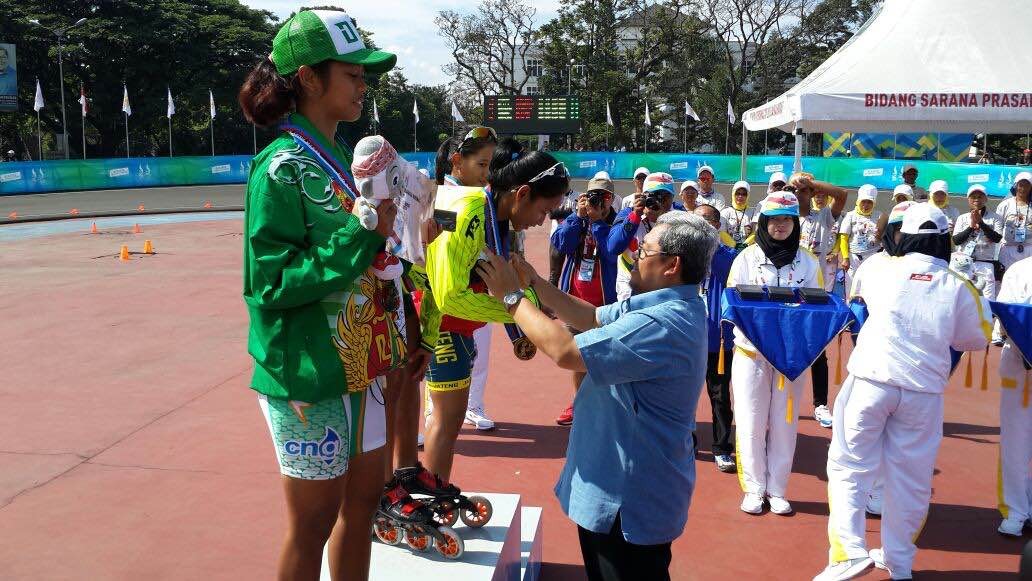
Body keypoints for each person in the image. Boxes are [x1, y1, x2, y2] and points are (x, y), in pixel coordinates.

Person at [238, 9, 400, 579]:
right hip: (309, 373)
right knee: (312, 524)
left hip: (364, 366)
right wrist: (362, 235)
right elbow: (270, 283)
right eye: (353, 74)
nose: (363, 85)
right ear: (309, 77)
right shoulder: (280, 168)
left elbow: (374, 259)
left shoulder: (343, 161)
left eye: (364, 75)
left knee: (363, 507)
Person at [475, 211, 715, 581]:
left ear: (672, 265)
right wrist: (535, 283)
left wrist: (511, 297)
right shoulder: (666, 302)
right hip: (626, 486)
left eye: (644, 250)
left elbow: (567, 351)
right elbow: (591, 317)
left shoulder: (661, 324)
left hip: (628, 499)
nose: (633, 253)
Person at [815, 203, 991, 581]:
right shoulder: (961, 286)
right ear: (944, 239)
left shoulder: (877, 268)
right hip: (923, 393)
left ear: (902, 235)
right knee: (911, 480)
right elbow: (976, 337)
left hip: (870, 381)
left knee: (849, 467)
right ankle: (899, 562)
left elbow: (858, 304)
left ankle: (848, 552)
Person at [419, 147, 568, 482]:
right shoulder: (471, 210)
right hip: (440, 322)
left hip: (458, 326)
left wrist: (525, 301)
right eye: (544, 210)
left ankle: (432, 488)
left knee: (450, 419)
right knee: (447, 419)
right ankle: (433, 493)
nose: (542, 220)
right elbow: (449, 297)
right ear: (523, 193)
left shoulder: (495, 215)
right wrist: (520, 311)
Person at [728, 191, 823, 516]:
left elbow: (818, 308)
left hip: (790, 359)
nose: (780, 226)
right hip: (751, 354)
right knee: (750, 422)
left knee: (785, 424)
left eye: (786, 219)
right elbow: (732, 302)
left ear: (795, 223)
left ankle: (778, 489)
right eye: (773, 219)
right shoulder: (745, 258)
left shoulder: (808, 261)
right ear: (763, 222)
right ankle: (754, 488)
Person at [432, 127, 500, 433]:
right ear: (457, 161)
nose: (487, 175)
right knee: (446, 424)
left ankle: (430, 478)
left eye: (489, 165)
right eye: (482, 165)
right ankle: (430, 478)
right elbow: (445, 256)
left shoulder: (462, 197)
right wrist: (514, 308)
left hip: (457, 314)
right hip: (446, 317)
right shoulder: (451, 200)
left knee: (446, 420)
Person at [550, 173, 620, 426]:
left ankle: (605, 405)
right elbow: (560, 245)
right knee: (580, 357)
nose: (598, 200)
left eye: (604, 196)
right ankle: (580, 402)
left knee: (604, 358)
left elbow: (612, 251)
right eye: (594, 194)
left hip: (605, 303)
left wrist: (599, 221)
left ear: (611, 198)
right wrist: (577, 217)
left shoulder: (617, 220)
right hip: (576, 300)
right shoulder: (578, 218)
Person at [792, 172, 848, 428]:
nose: (798, 194)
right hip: (786, 290)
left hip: (816, 291)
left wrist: (811, 184)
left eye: (803, 191)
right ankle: (783, 398)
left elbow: (842, 195)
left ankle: (820, 404)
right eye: (795, 190)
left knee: (817, 350)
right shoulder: (784, 216)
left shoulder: (823, 216)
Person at [695, 204, 738, 472]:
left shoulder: (728, 256)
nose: (700, 225)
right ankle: (685, 444)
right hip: (687, 337)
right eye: (696, 220)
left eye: (706, 220)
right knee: (682, 397)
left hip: (717, 340)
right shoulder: (684, 253)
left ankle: (722, 448)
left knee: (720, 396)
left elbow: (722, 268)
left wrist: (712, 244)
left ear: (717, 225)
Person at [995, 255, 1032, 537]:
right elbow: (1008, 318)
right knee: (1016, 441)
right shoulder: (1020, 270)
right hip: (1020, 365)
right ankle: (1016, 511)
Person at [951, 185, 1003, 301]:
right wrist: (971, 227)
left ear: (985, 199)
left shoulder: (995, 218)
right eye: (973, 197)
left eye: (980, 196)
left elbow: (997, 238)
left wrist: (981, 223)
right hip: (963, 263)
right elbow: (956, 240)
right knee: (960, 299)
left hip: (985, 263)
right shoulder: (962, 218)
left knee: (987, 301)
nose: (976, 199)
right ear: (968, 199)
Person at [837, 184, 886, 293]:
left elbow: (883, 238)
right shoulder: (850, 216)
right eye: (863, 201)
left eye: (869, 202)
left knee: (870, 288)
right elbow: (843, 238)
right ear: (858, 201)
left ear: (874, 203)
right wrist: (845, 258)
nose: (866, 205)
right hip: (854, 258)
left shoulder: (880, 216)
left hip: (873, 258)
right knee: (851, 289)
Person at [996, 172, 1032, 270]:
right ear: (1015, 185)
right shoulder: (1004, 205)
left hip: (1029, 249)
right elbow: (997, 229)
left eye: (1027, 186)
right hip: (1008, 249)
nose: (1023, 189)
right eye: (1021, 185)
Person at [720, 180, 755, 251]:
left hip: (747, 250)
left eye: (744, 194)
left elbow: (756, 232)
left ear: (748, 196)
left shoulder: (753, 213)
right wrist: (734, 245)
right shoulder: (725, 212)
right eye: (737, 193)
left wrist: (745, 245)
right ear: (733, 194)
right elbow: (721, 232)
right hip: (728, 250)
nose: (740, 196)